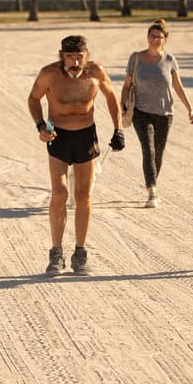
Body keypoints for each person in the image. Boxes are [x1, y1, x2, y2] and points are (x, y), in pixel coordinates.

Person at [28, 35, 124, 276]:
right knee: (59, 193)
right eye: (70, 57)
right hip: (58, 136)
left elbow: (111, 96)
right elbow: (33, 98)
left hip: (85, 136)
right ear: (62, 56)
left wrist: (118, 128)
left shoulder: (95, 72)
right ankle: (56, 252)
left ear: (86, 56)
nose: (75, 62)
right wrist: (40, 125)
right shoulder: (49, 74)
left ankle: (80, 254)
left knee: (84, 195)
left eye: (79, 57)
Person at [121, 18, 193, 207]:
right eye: (152, 36)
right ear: (147, 37)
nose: (155, 39)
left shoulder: (170, 60)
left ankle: (152, 181)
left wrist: (190, 109)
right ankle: (152, 191)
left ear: (165, 40)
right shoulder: (136, 58)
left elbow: (178, 87)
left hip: (165, 113)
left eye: (159, 37)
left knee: (158, 153)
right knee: (148, 149)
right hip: (141, 111)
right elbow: (127, 85)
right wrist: (122, 104)